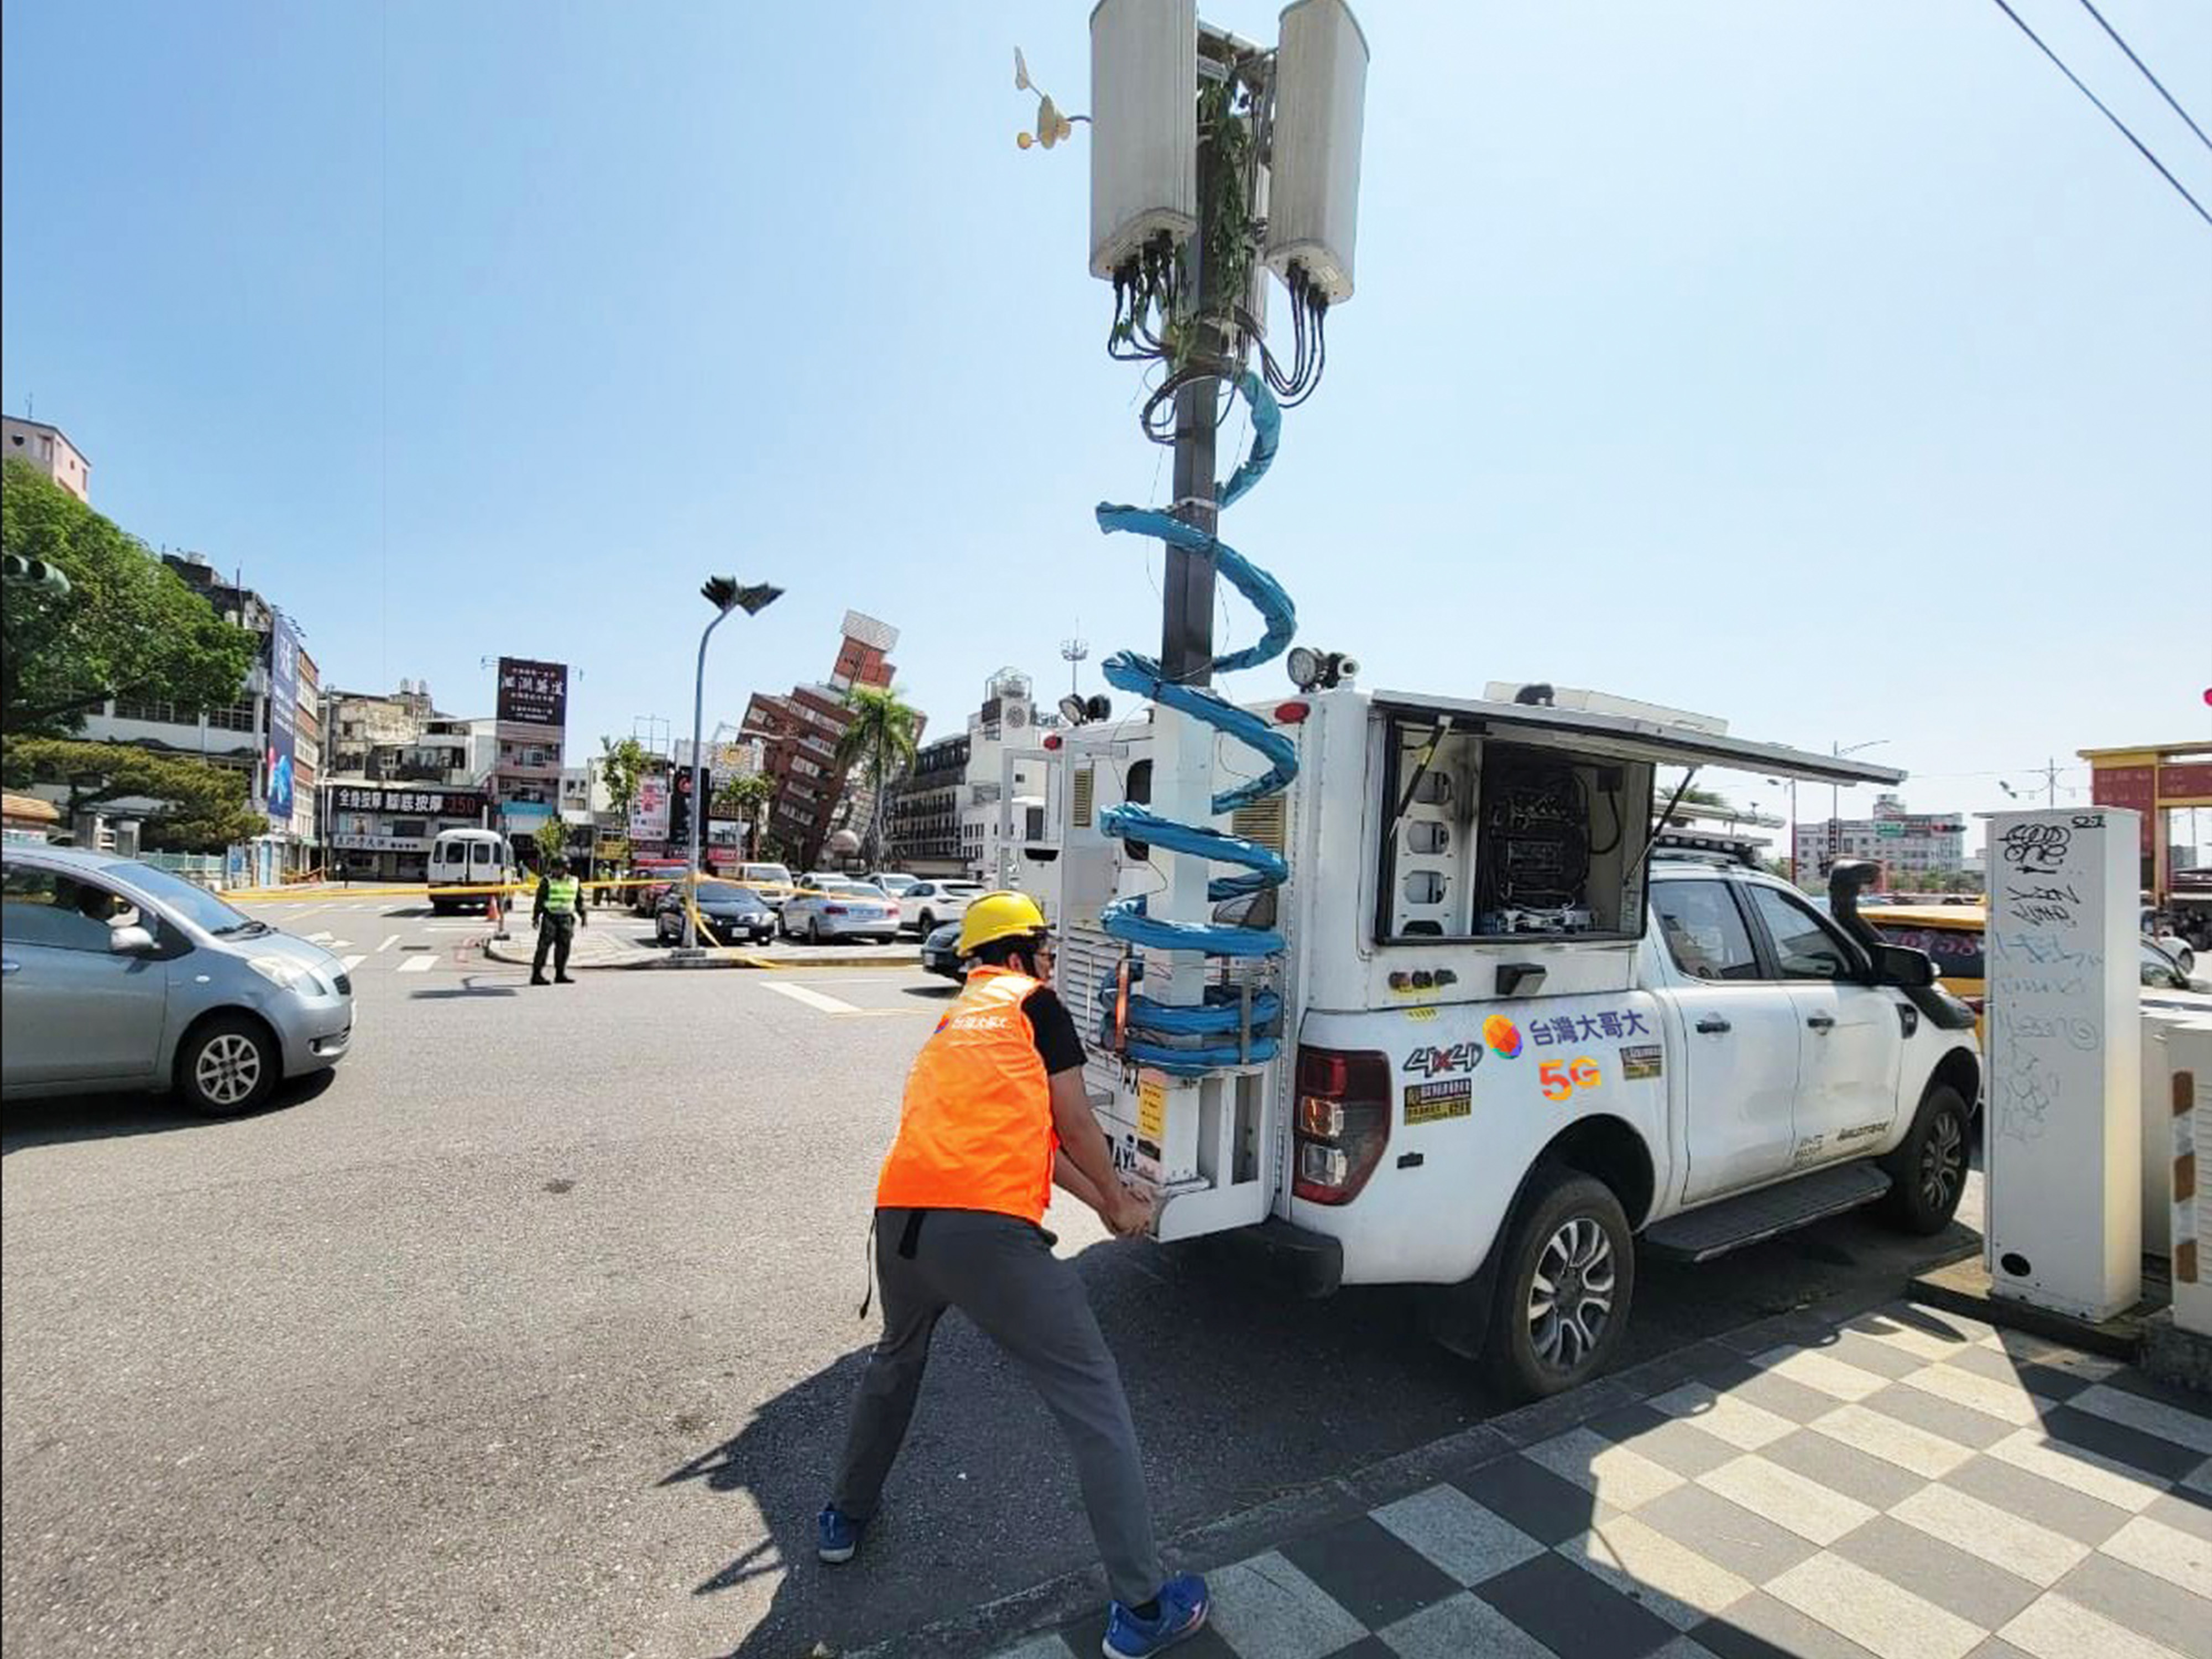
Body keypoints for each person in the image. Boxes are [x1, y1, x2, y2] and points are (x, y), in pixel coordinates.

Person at [817, 891, 1208, 1657]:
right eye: (1048, 950)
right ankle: (1143, 1609)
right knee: (1093, 1397)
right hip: (987, 1235)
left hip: (901, 1222)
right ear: (1023, 954)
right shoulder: (1035, 1004)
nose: (1053, 963)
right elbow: (1075, 1121)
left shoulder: (956, 1019)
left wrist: (1104, 1203)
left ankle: (843, 1517)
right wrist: (1127, 1197)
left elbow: (1033, 1140)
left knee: (896, 1363)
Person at [529, 853, 586, 985]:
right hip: (550, 917)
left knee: (564, 947)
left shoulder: (574, 881)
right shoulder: (547, 881)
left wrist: (583, 915)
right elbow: (540, 900)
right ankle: (537, 975)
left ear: (565, 869)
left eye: (558, 869)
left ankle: (560, 974)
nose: (555, 871)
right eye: (554, 869)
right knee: (543, 947)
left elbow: (579, 900)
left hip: (566, 918)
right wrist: (536, 917)